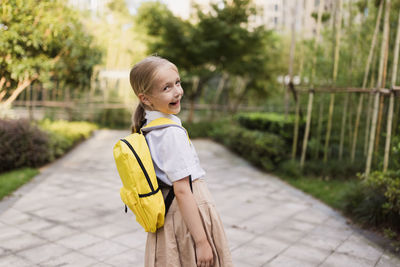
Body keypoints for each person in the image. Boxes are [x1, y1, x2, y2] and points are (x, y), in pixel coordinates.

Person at [129, 56, 233, 267]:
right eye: (166, 87)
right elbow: (183, 190)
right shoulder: (170, 134)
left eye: (177, 82)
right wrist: (202, 242)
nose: (177, 91)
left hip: (169, 216)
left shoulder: (150, 127)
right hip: (186, 218)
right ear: (146, 99)